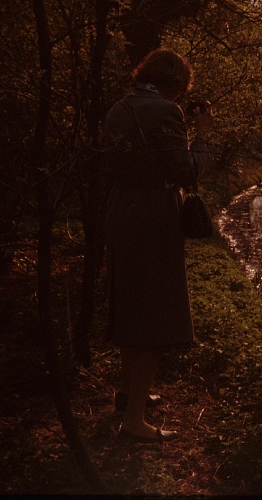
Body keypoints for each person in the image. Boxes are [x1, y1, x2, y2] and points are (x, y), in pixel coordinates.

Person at [103, 48, 212, 443]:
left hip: (120, 214)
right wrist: (201, 137)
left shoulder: (120, 106)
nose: (181, 97)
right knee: (152, 314)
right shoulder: (165, 111)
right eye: (182, 89)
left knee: (130, 305)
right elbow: (184, 171)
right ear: (176, 83)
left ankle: (130, 392)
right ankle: (134, 420)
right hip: (151, 219)